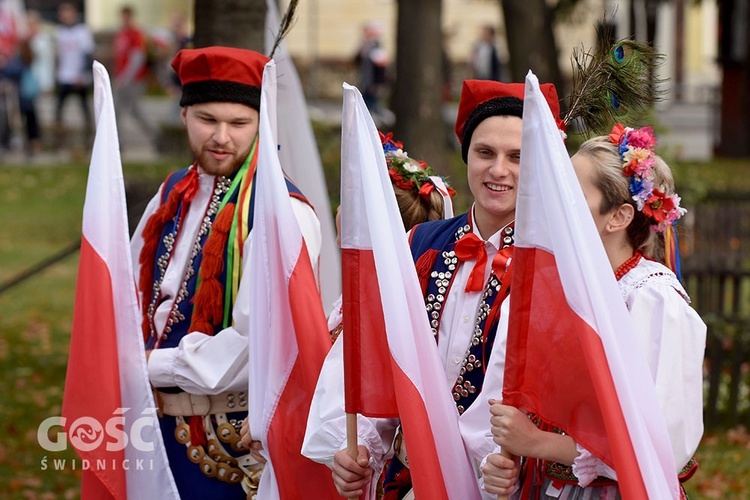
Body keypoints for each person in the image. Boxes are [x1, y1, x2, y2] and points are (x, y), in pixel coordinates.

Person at [302, 80, 564, 499]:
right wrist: (360, 451)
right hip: (411, 480)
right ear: (467, 156)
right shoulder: (420, 243)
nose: (499, 170)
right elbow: (379, 360)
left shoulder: (555, 265)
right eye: (485, 153)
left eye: (518, 157)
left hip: (500, 487)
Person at [131, 46, 322, 500]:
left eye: (239, 124)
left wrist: (144, 365)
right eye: (206, 119)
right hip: (149, 431)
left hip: (227, 452)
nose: (221, 137)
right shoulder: (172, 193)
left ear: (262, 125)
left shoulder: (282, 214)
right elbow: (128, 294)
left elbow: (254, 343)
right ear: (183, 116)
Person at [482, 124, 706, 498]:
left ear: (617, 217)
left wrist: (539, 444)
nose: (552, 201)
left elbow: (659, 445)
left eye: (569, 193)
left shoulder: (651, 299)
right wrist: (506, 461)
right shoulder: (556, 287)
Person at [54, 2, 93, 149]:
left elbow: (87, 55)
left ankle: (89, 138)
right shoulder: (60, 31)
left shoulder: (82, 31)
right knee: (59, 110)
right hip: (64, 75)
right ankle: (60, 140)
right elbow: (59, 55)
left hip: (78, 77)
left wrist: (81, 73)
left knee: (84, 109)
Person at [113, 5, 155, 145]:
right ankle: (117, 144)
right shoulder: (121, 34)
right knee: (118, 111)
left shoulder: (136, 34)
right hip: (123, 79)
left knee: (132, 110)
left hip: (134, 80)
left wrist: (126, 77)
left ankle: (156, 137)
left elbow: (137, 57)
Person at [354, 21, 389, 121]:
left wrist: (378, 84)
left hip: (372, 83)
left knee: (371, 106)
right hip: (366, 81)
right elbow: (357, 60)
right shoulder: (365, 46)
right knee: (367, 105)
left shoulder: (377, 47)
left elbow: (380, 69)